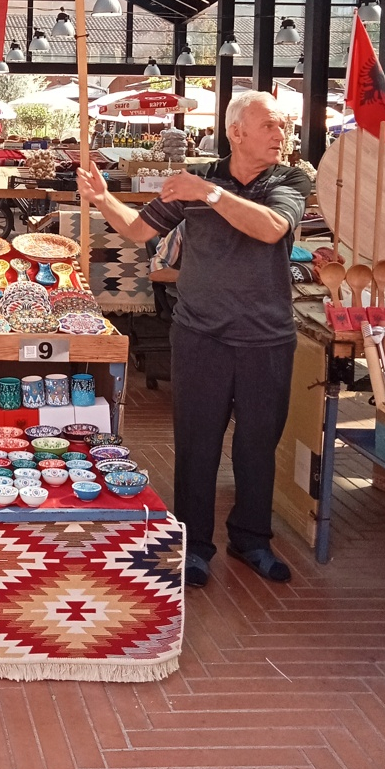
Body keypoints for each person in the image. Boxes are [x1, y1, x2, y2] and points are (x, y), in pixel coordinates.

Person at [77, 90, 309, 589]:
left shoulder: (289, 179)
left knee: (256, 446)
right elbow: (139, 232)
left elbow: (272, 229)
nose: (281, 133)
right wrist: (102, 199)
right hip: (200, 334)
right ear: (236, 131)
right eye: (269, 124)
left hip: (266, 339)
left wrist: (210, 194)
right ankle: (194, 544)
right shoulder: (197, 182)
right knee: (196, 444)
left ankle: (251, 540)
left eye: (283, 125)